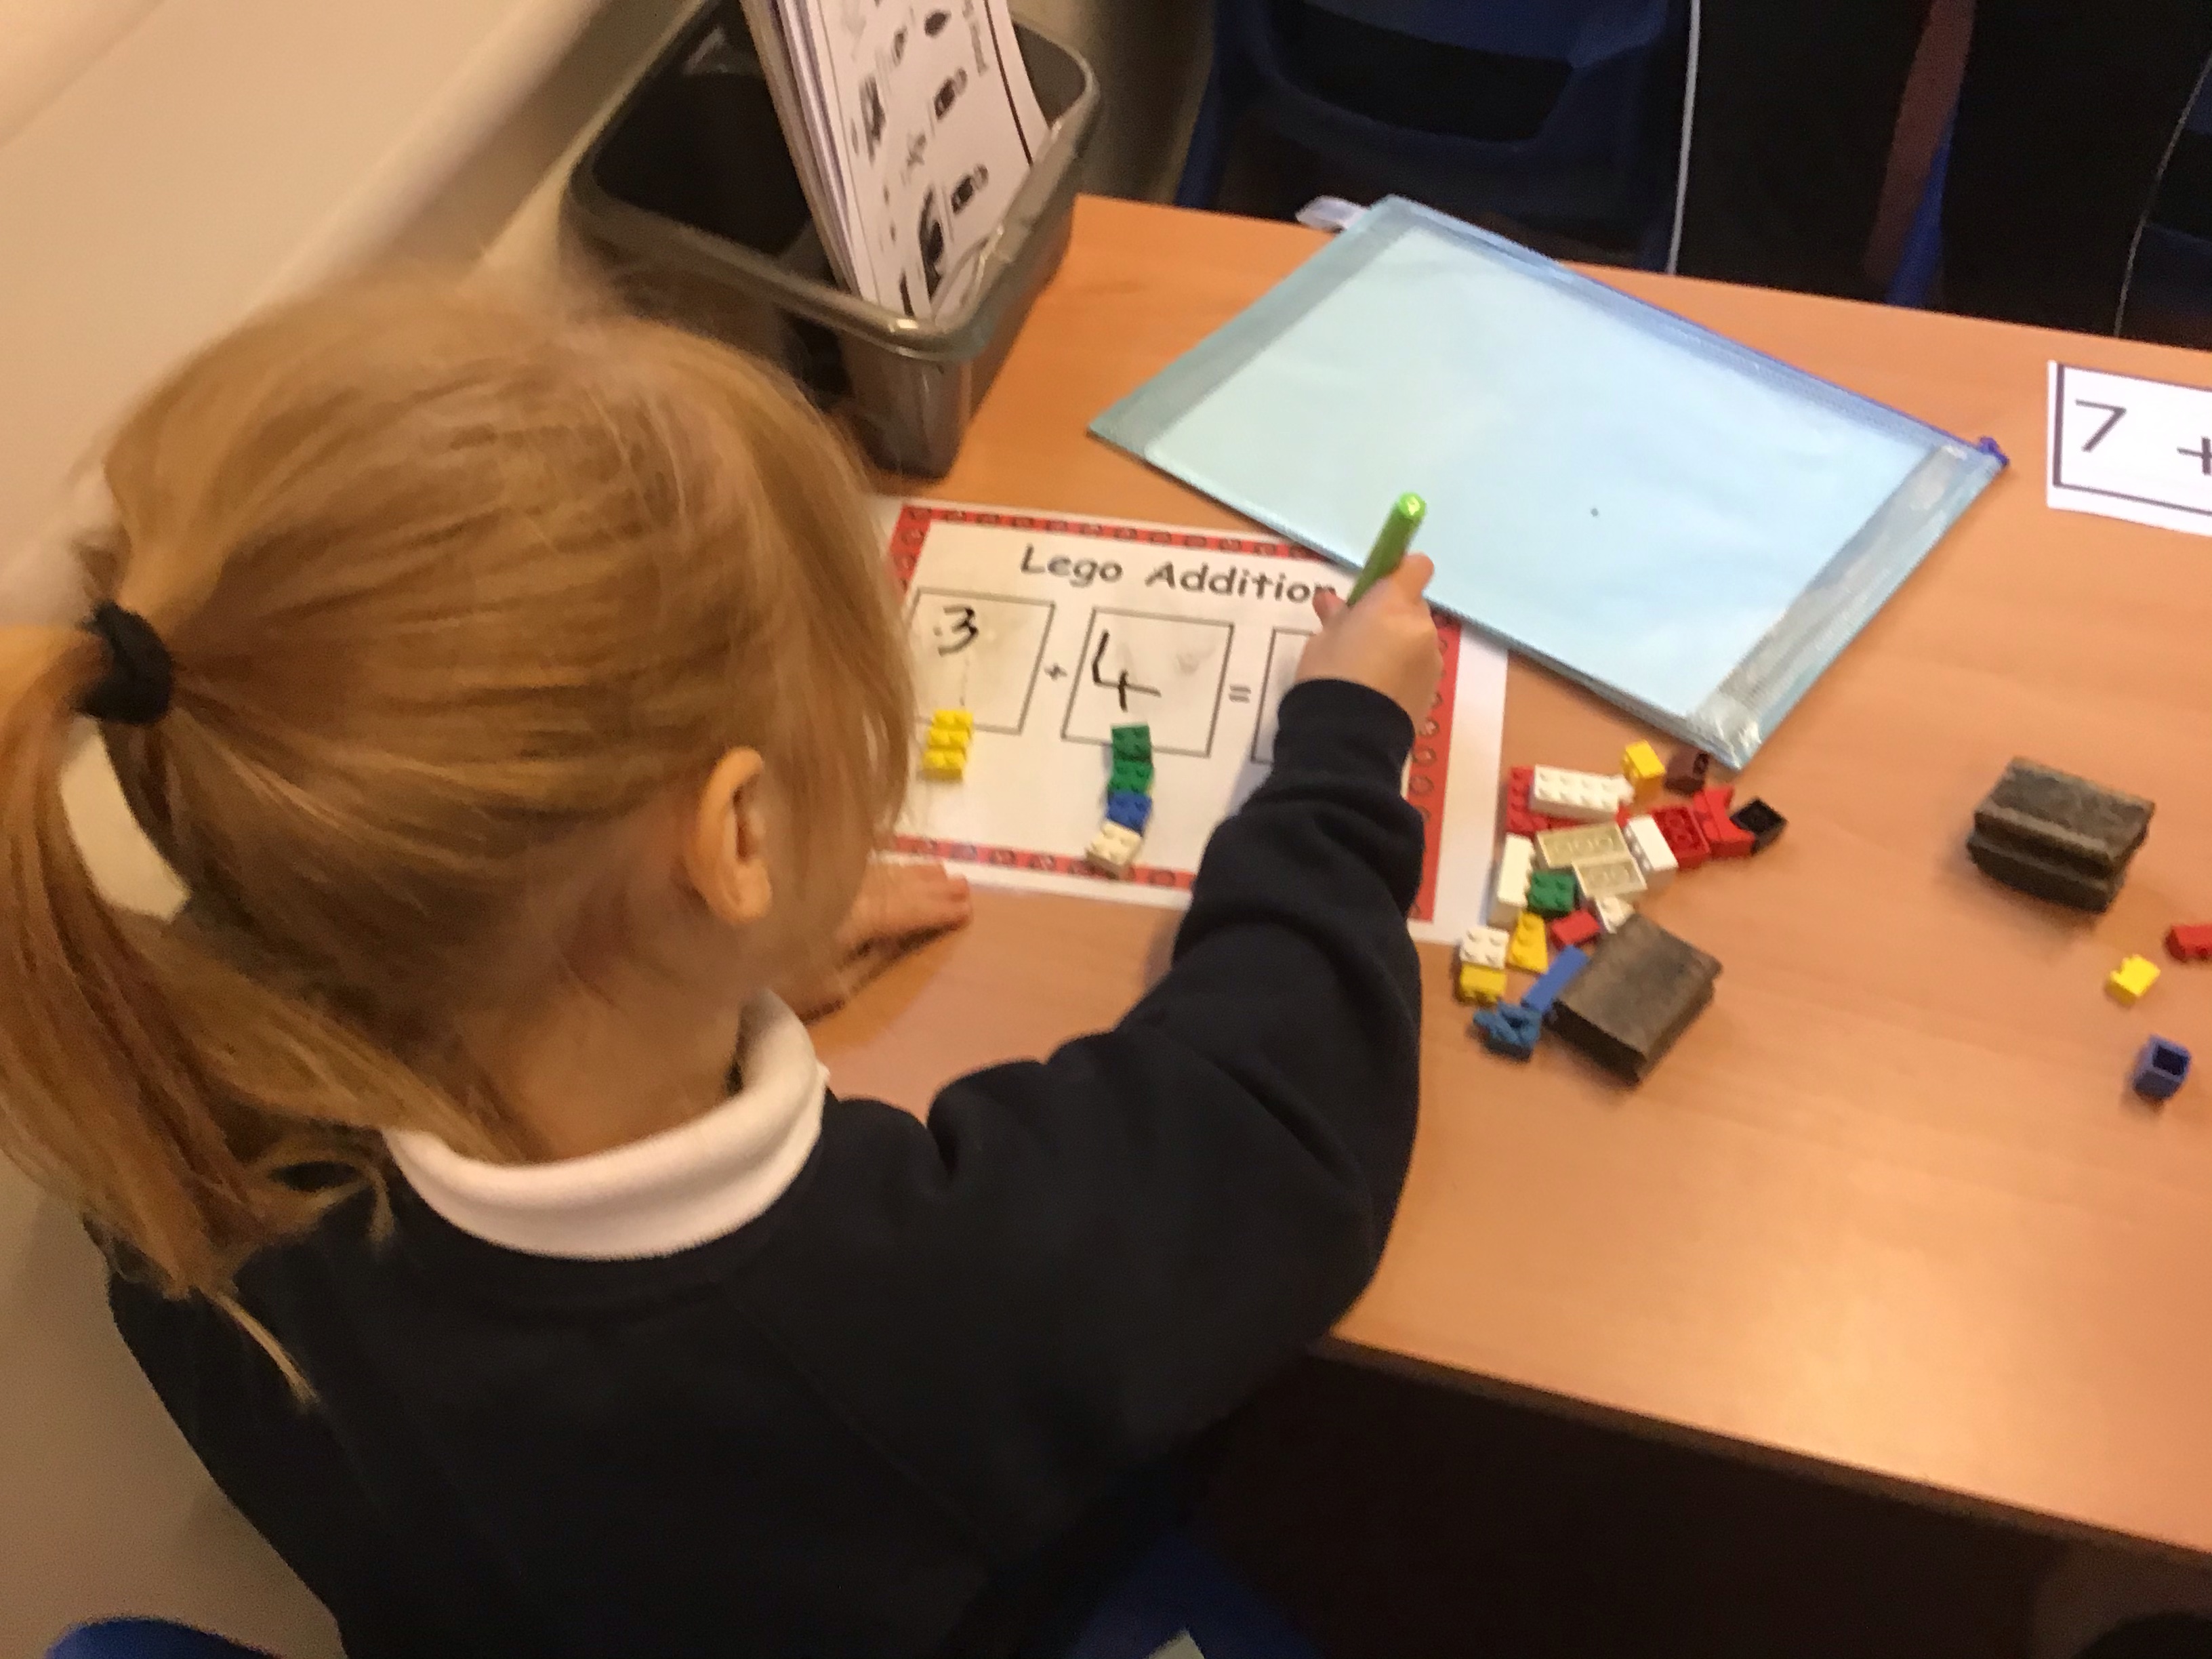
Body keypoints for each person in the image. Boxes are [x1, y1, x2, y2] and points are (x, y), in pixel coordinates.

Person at [0, 279, 1441, 1658]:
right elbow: (1279, 1127)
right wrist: (1342, 746)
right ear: (737, 838)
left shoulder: (158, 1132)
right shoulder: (908, 1308)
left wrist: (687, 973)